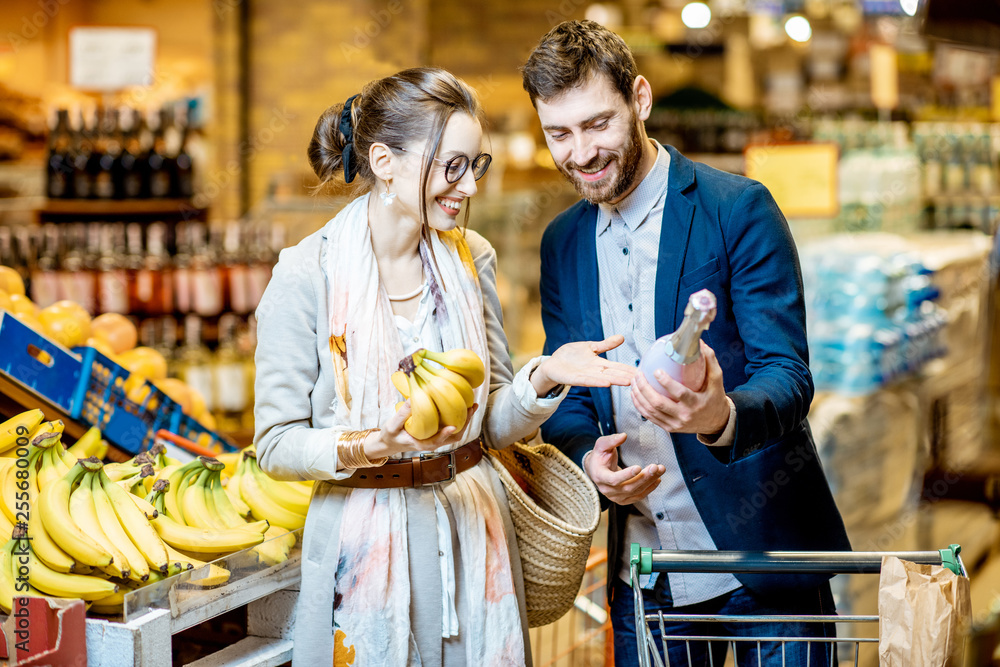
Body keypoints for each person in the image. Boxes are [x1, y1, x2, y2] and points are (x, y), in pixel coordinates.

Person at [252, 67, 635, 667]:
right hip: (361, 542)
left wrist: (545, 377)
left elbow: (493, 423)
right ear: (384, 161)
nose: (467, 187)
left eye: (474, 165)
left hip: (474, 534)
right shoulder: (308, 275)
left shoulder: (470, 258)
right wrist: (365, 443)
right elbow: (274, 444)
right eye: (449, 165)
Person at [522, 21, 852, 667]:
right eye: (558, 133)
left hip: (763, 563)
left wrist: (721, 417)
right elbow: (569, 392)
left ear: (640, 99)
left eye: (598, 124)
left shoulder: (738, 208)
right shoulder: (561, 242)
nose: (581, 152)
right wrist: (588, 458)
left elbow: (787, 374)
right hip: (647, 576)